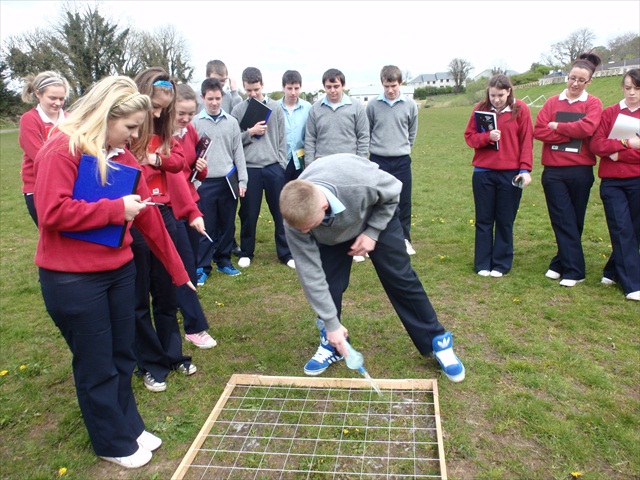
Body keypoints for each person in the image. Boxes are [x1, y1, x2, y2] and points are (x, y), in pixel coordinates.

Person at [33, 75, 193, 468]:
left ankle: (129, 426)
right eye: (131, 127)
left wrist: (178, 272)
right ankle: (110, 441)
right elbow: (51, 212)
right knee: (96, 362)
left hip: (119, 271)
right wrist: (115, 210)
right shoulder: (62, 149)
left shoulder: (122, 157)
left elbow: (149, 220)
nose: (136, 136)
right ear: (106, 116)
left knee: (122, 354)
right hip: (73, 279)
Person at [280, 153, 465, 383]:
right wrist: (331, 324)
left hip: (374, 213)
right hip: (331, 231)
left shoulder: (359, 182)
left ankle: (438, 341)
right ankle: (333, 343)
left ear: (324, 206)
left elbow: (394, 191)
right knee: (327, 284)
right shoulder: (296, 216)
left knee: (400, 277)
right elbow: (310, 274)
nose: (304, 233)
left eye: (309, 227)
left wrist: (372, 232)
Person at [130, 67, 196, 392]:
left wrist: (155, 159)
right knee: (139, 294)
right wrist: (152, 159)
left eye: (163, 109)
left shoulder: (165, 128)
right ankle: (149, 363)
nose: (158, 114)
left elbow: (178, 162)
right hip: (136, 215)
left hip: (164, 212)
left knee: (167, 290)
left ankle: (173, 354)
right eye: (154, 107)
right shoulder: (128, 128)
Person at [533, 53, 603, 287]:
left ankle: (560, 263)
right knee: (561, 218)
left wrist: (557, 126)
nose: (575, 83)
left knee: (574, 219)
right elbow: (539, 130)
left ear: (589, 82)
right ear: (567, 76)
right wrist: (570, 132)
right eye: (572, 78)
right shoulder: (552, 102)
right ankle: (574, 270)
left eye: (581, 80)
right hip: (554, 171)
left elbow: (588, 128)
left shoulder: (593, 103)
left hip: (580, 171)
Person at [464, 74, 533, 277]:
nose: (496, 99)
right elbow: (470, 137)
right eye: (492, 95)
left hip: (510, 173)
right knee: (484, 219)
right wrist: (487, 137)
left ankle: (501, 264)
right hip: (483, 172)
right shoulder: (480, 108)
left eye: (500, 95)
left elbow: (526, 141)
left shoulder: (521, 109)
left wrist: (525, 169)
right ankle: (482, 263)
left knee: (505, 220)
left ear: (508, 92)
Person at [231, 67, 294, 269]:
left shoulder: (276, 108)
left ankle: (285, 253)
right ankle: (246, 252)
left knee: (280, 212)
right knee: (248, 213)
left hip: (273, 167)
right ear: (244, 87)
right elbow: (233, 142)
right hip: (250, 168)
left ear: (262, 85)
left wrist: (281, 164)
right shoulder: (238, 110)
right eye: (249, 90)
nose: (253, 94)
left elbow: (283, 139)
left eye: (256, 89)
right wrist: (250, 132)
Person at [305, 68, 370, 262]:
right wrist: (310, 166)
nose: (332, 90)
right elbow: (310, 139)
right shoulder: (315, 109)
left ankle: (355, 247)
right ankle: (329, 245)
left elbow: (363, 137)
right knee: (326, 208)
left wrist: (360, 163)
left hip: (349, 167)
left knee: (352, 208)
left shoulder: (356, 107)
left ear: (343, 85)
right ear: (324, 87)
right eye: (328, 87)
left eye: (336, 86)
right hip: (323, 168)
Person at [171, 83, 218, 347]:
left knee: (189, 262)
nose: (187, 119)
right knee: (183, 265)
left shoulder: (189, 130)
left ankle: (185, 313)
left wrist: (201, 166)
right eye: (181, 113)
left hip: (191, 202)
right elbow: (171, 174)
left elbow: (193, 172)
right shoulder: (159, 135)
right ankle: (194, 325)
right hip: (170, 206)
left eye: (191, 113)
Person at [590, 68, 640, 302]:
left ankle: (612, 271)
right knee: (621, 229)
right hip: (612, 183)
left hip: (637, 180)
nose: (632, 93)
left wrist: (619, 154)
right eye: (628, 88)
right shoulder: (610, 113)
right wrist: (627, 143)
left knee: (634, 231)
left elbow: (610, 149)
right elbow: (597, 145)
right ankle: (632, 285)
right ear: (622, 87)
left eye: (637, 89)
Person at [193, 78, 247, 280]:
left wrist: (242, 180)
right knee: (207, 226)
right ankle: (202, 266)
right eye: (210, 99)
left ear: (222, 97)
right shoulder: (195, 123)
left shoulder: (231, 122)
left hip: (227, 182)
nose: (214, 103)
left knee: (227, 225)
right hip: (204, 183)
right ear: (202, 98)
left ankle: (223, 261)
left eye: (217, 98)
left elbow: (238, 153)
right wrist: (194, 181)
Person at [367, 65, 419, 255]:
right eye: (386, 86)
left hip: (401, 160)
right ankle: (374, 237)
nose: (390, 90)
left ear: (400, 83)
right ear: (382, 84)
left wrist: (402, 148)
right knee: (376, 200)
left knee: (403, 200)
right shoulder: (373, 105)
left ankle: (404, 239)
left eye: (393, 86)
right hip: (378, 160)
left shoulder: (410, 105)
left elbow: (412, 132)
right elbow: (367, 131)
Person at [19, 71, 70, 226]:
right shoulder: (30, 119)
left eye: (62, 98)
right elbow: (40, 157)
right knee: (50, 236)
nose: (58, 103)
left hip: (68, 186)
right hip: (39, 188)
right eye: (52, 98)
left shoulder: (70, 119)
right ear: (38, 94)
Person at [278, 70, 311, 183]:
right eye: (289, 88)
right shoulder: (275, 107)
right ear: (283, 87)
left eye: (296, 88)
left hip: (300, 160)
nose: (293, 92)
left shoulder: (308, 108)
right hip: (281, 159)